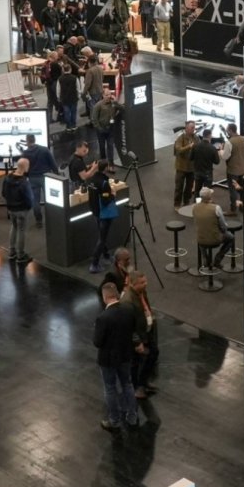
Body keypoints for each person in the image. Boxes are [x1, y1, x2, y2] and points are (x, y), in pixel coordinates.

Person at [94, 282, 141, 432]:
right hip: (125, 355)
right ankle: (132, 417)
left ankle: (114, 420)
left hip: (108, 360)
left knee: (110, 389)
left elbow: (97, 342)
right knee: (127, 384)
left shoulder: (103, 317)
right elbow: (133, 331)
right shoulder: (129, 310)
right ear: (116, 294)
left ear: (105, 297)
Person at [121, 270, 159, 398]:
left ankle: (143, 383)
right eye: (142, 282)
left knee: (153, 353)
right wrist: (137, 342)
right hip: (136, 338)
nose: (145, 284)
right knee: (135, 363)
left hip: (146, 332)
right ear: (132, 284)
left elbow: (145, 307)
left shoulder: (142, 292)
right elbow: (128, 326)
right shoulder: (127, 301)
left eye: (145, 281)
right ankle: (136, 387)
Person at [87, 161, 121, 275]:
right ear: (106, 168)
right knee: (102, 238)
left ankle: (106, 255)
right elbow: (106, 200)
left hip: (95, 211)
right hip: (104, 214)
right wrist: (113, 194)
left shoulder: (91, 180)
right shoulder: (104, 183)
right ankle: (94, 264)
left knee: (102, 235)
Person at [21, 133, 57, 229]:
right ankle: (52, 218)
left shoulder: (25, 153)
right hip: (46, 176)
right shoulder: (44, 149)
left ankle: (39, 221)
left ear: (27, 141)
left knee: (35, 200)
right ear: (35, 139)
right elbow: (52, 162)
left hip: (33, 178)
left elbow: (23, 167)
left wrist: (26, 176)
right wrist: (56, 173)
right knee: (49, 198)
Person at [3, 157, 35, 264]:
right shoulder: (24, 182)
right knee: (21, 231)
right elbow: (29, 198)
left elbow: (3, 193)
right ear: (25, 167)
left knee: (14, 227)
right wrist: (29, 207)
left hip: (10, 208)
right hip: (21, 210)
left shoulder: (7, 178)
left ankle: (11, 252)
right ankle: (20, 255)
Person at [194, 188, 232, 272]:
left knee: (202, 234)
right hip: (215, 239)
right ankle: (217, 260)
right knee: (231, 238)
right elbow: (223, 227)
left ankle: (206, 259)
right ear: (210, 197)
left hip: (200, 239)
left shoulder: (195, 207)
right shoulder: (216, 208)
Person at [91, 86, 121, 165]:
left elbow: (122, 108)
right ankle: (103, 162)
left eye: (110, 94)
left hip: (110, 128)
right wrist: (99, 128)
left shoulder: (113, 103)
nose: (108, 96)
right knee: (102, 146)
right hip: (101, 129)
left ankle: (111, 162)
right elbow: (94, 118)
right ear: (103, 95)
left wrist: (116, 102)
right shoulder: (98, 105)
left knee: (110, 145)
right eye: (106, 95)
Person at [190, 125, 220, 201]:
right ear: (210, 136)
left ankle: (197, 205)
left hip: (197, 172)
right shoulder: (212, 148)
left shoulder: (195, 146)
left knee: (197, 191)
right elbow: (217, 161)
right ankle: (205, 205)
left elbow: (190, 158)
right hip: (207, 173)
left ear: (203, 135)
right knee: (207, 192)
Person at [225, 124, 244, 214]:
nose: (226, 131)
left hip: (232, 170)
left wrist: (221, 152)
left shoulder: (229, 142)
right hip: (242, 169)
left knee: (233, 190)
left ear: (231, 130)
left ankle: (233, 209)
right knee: (242, 189)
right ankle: (243, 207)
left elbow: (225, 156)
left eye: (227, 130)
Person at [172, 122, 197, 209]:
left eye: (194, 127)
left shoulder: (196, 137)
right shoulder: (180, 138)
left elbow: (199, 146)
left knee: (189, 187)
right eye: (191, 128)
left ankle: (186, 202)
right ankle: (177, 204)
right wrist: (189, 146)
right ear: (186, 128)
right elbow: (178, 150)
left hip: (191, 167)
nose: (193, 129)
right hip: (181, 167)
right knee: (179, 187)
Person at [58, 61, 80, 132]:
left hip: (64, 98)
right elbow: (78, 88)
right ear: (70, 69)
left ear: (63, 70)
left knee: (66, 112)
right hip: (73, 97)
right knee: (73, 112)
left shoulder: (60, 79)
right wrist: (78, 96)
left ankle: (68, 126)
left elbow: (58, 89)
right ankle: (74, 125)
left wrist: (58, 97)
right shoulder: (75, 78)